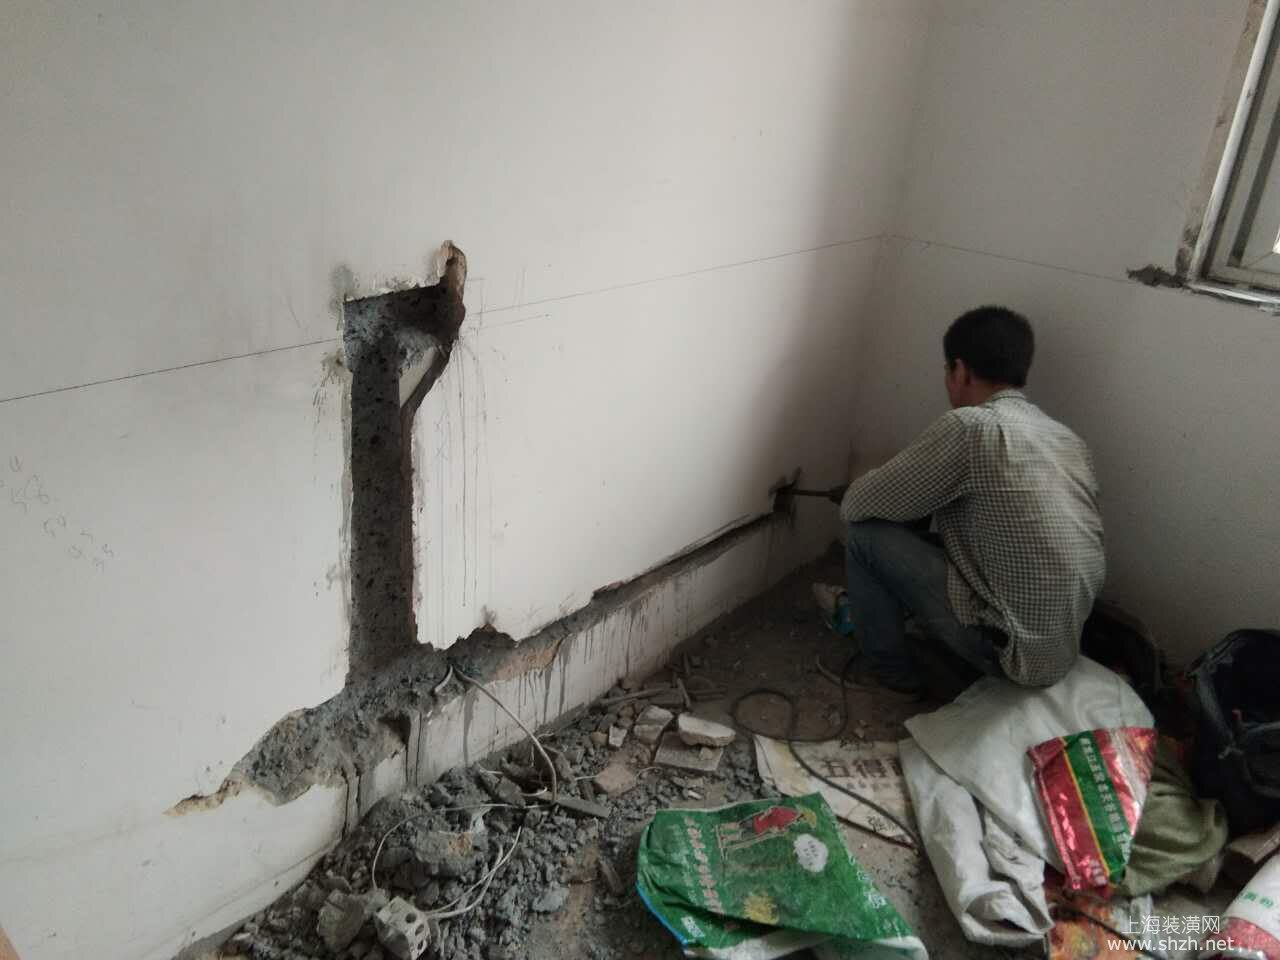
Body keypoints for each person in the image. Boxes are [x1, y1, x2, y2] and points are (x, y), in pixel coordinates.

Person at [815, 305, 1104, 697]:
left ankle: (892, 675)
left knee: (867, 537)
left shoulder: (970, 427)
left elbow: (858, 506)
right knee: (922, 533)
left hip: (1009, 655)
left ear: (960, 370)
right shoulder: (1064, 439)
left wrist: (852, 490)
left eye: (947, 370)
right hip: (1058, 650)